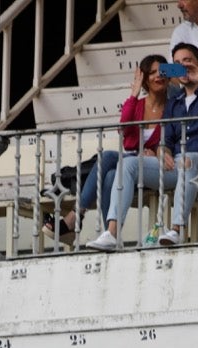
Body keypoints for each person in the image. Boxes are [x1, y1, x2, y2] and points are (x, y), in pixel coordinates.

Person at [83, 42, 198, 251]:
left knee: (189, 158)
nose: (183, 66)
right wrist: (164, 152)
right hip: (180, 168)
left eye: (188, 61)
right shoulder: (174, 103)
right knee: (128, 165)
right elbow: (166, 140)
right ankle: (112, 233)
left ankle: (177, 230)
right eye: (177, 64)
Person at [45, 56, 170, 241]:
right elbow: (124, 129)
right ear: (144, 79)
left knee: (109, 157)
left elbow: (173, 138)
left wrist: (157, 151)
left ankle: (75, 216)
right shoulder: (137, 104)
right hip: (131, 163)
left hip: (154, 168)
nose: (158, 76)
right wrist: (134, 95)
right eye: (151, 72)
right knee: (110, 173)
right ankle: (110, 236)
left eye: (162, 71)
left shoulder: (174, 105)